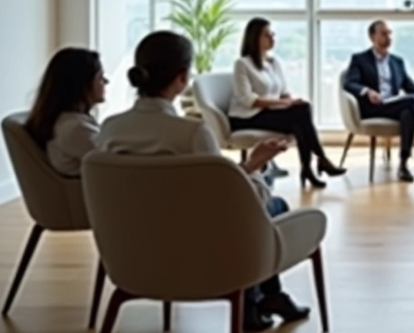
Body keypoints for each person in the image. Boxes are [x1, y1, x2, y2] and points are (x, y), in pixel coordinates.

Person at [95, 31, 309, 332]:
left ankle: (263, 299)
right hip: (200, 258)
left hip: (133, 258)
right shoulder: (191, 134)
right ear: (182, 78)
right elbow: (232, 203)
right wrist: (257, 171)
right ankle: (260, 298)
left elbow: (210, 189)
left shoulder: (110, 131)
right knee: (273, 206)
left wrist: (247, 165)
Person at [228, 17, 345, 189]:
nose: (272, 39)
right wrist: (286, 103)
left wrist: (292, 102)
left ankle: (309, 168)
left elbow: (284, 92)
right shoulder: (242, 64)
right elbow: (248, 100)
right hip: (246, 116)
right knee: (300, 115)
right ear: (254, 38)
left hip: (268, 112)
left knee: (302, 112)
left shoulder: (274, 62)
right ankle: (319, 161)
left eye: (273, 35)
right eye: (267, 36)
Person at [343, 19, 414, 183]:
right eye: (384, 33)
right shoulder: (360, 59)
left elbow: (409, 86)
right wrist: (367, 91)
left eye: (390, 33)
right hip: (373, 107)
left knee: (408, 114)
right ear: (372, 37)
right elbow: (350, 83)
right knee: (411, 102)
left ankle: (403, 165)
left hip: (394, 105)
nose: (389, 37)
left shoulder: (397, 61)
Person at [25, 48, 107, 177]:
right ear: (82, 85)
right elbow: (112, 163)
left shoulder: (64, 122)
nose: (106, 82)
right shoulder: (75, 129)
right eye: (100, 77)